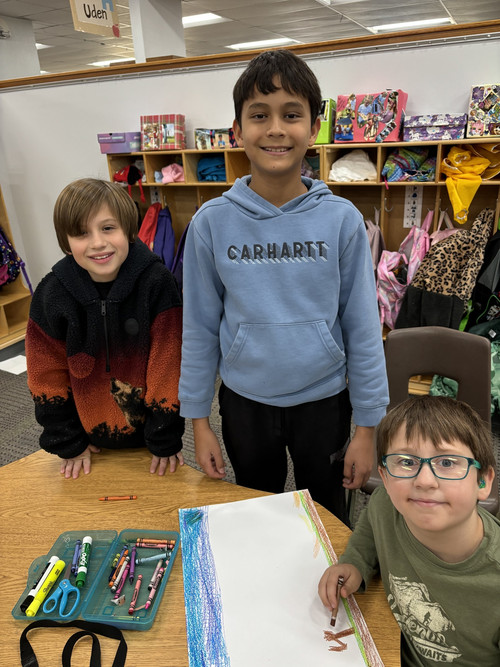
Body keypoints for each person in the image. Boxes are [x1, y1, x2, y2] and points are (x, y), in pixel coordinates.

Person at [178, 49, 388, 523]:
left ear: (313, 127)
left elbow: (362, 328)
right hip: (244, 403)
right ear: (237, 130)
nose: (275, 128)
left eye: (291, 115)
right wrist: (198, 420)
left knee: (329, 518)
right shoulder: (211, 224)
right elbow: (198, 328)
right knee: (259, 516)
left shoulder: (342, 220)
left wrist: (367, 428)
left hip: (325, 400)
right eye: (259, 115)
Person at [318, 395, 499, 666]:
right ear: (386, 477)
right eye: (406, 462)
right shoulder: (386, 504)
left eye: (447, 463)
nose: (424, 481)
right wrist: (355, 562)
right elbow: (370, 526)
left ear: (482, 480)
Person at [25, 178, 184, 479]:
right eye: (82, 233)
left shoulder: (157, 283)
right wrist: (67, 441)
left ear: (128, 229)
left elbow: (168, 367)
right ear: (66, 241)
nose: (98, 243)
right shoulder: (51, 294)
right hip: (85, 446)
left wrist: (165, 436)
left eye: (108, 228)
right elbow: (45, 376)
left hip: (152, 443)